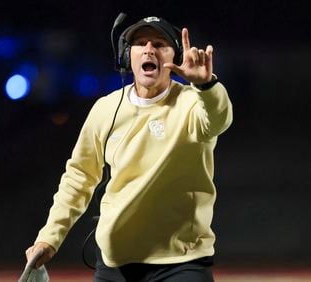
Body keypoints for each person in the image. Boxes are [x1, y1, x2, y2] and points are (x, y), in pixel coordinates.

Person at [25, 15, 233, 281]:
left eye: (159, 44)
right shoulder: (105, 109)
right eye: (140, 43)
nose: (149, 49)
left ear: (174, 57)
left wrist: (206, 85)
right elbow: (79, 178)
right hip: (115, 264)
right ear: (126, 56)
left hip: (181, 261)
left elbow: (219, 119)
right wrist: (49, 238)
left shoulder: (192, 103)